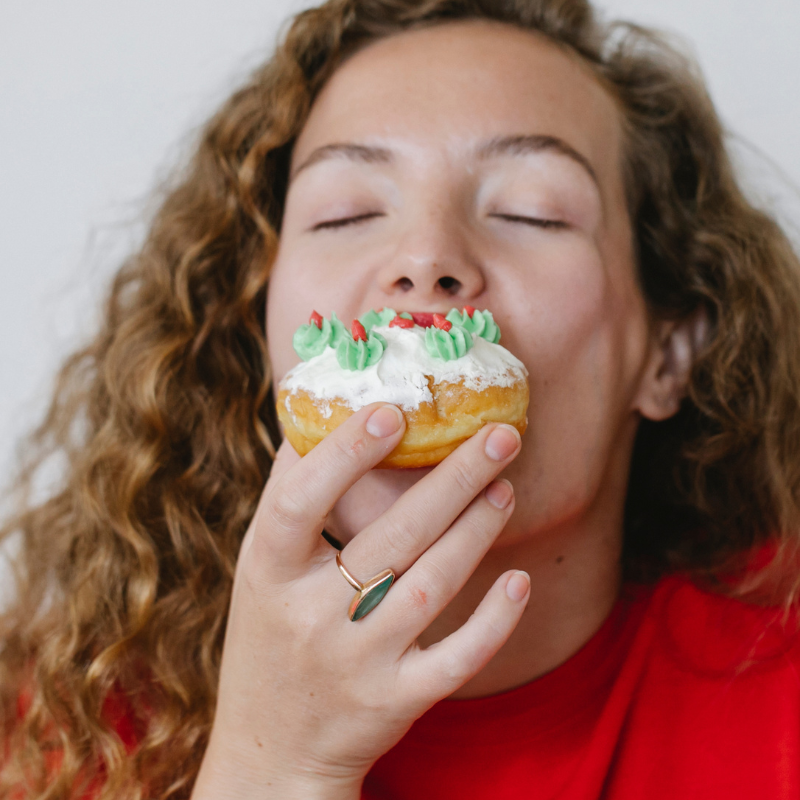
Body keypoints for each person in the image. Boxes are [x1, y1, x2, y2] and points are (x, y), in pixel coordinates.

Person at [2, 0, 800, 797]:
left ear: (668, 355)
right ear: (258, 331)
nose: (424, 259)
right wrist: (270, 767)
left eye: (531, 212)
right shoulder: (62, 724)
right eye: (346, 213)